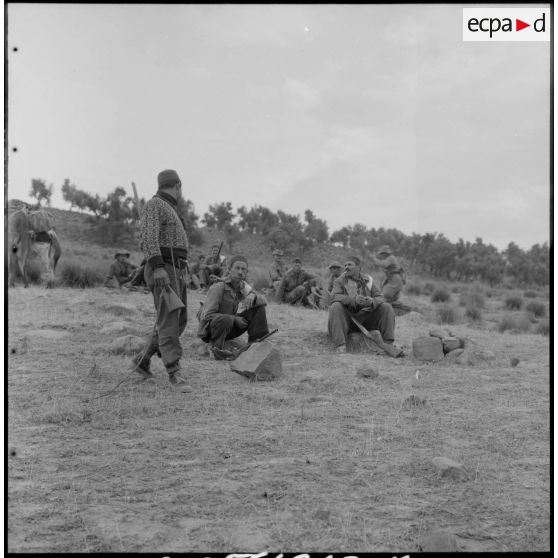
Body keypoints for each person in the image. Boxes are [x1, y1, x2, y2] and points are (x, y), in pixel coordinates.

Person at [130, 169, 190, 389]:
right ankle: (174, 371)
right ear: (178, 186)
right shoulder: (155, 205)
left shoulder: (168, 208)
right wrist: (157, 268)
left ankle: (143, 360)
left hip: (176, 270)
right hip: (164, 269)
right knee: (169, 320)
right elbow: (149, 237)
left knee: (179, 320)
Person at [197, 255, 270, 358]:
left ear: (246, 272)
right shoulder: (218, 287)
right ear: (229, 269)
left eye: (243, 269)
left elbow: (264, 301)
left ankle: (257, 344)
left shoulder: (243, 286)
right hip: (212, 330)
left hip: (229, 328)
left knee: (258, 307)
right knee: (225, 319)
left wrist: (253, 296)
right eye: (237, 268)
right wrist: (234, 319)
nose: (240, 272)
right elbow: (207, 315)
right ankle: (215, 348)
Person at [328, 255, 397, 354]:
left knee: (386, 307)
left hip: (366, 319)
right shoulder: (340, 281)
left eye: (350, 264)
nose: (346, 267)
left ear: (358, 267)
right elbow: (333, 297)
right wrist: (352, 300)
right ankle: (341, 345)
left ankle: (388, 344)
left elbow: (381, 297)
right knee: (335, 306)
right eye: (345, 265)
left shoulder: (368, 280)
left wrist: (371, 301)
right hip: (348, 321)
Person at [371, 245, 410, 315]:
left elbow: (383, 264)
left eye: (382, 254)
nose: (381, 256)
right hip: (394, 280)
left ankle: (404, 310)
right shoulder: (389, 259)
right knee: (389, 300)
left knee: (385, 296)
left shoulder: (390, 258)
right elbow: (387, 274)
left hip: (395, 281)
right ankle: (400, 310)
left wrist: (374, 259)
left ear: (385, 253)